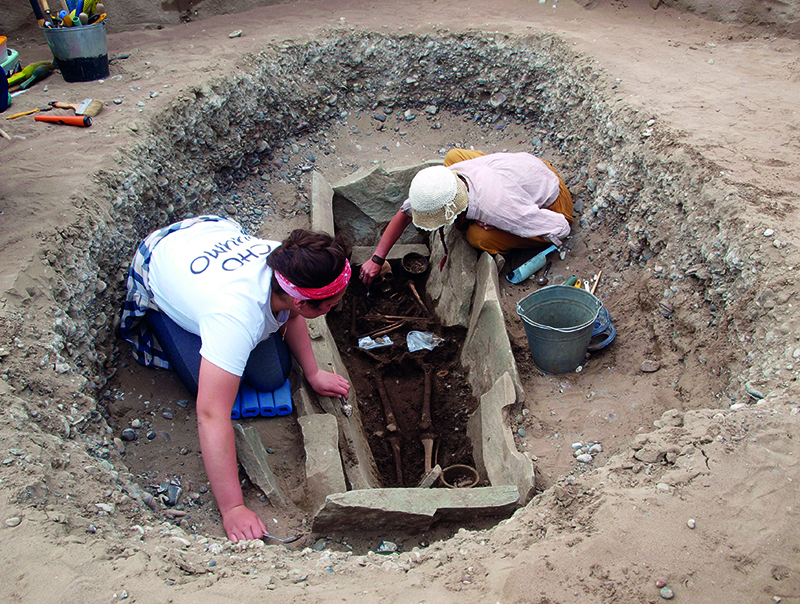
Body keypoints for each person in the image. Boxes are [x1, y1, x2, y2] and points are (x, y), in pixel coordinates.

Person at [120, 215, 350, 542]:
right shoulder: (233, 316)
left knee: (272, 376)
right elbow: (211, 415)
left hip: (208, 243)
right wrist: (233, 509)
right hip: (162, 258)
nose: (338, 306)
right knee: (208, 389)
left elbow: (293, 312)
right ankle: (164, 315)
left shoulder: (289, 263)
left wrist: (312, 374)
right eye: (333, 303)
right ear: (303, 301)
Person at [359, 149, 574, 284]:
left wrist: (501, 224)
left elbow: (561, 228)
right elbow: (404, 213)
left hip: (553, 196)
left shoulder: (496, 206)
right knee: (453, 156)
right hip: (524, 169)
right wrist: (377, 258)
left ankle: (509, 227)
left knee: (479, 238)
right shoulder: (448, 178)